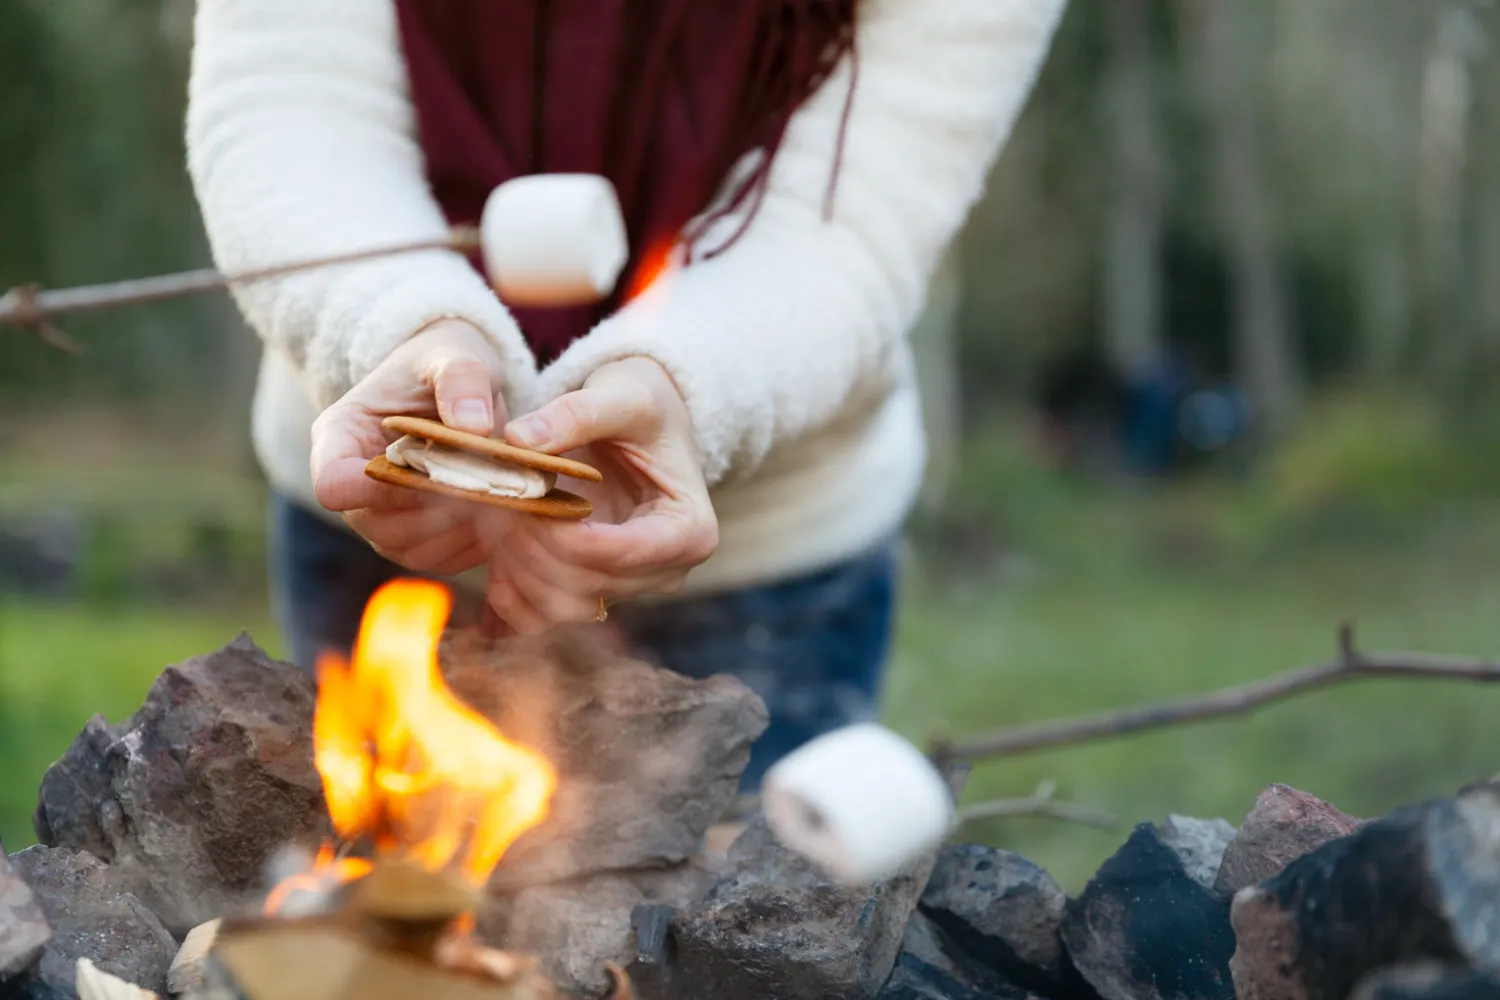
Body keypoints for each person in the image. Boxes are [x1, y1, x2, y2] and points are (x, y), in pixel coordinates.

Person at [185, 0, 1066, 790]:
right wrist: (398, 328)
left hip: (763, 576)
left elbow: (856, 218)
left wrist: (679, 389)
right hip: (388, 510)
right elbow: (288, 102)